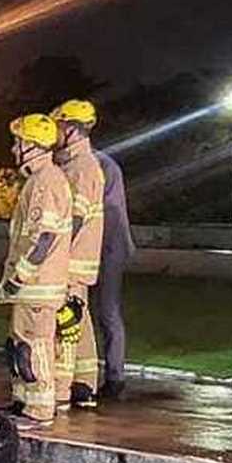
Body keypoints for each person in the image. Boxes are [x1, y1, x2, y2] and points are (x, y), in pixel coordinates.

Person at [0, 113, 73, 429]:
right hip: (31, 287)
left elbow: (45, 238)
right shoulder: (38, 180)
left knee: (35, 346)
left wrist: (20, 276)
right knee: (19, 345)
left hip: (36, 286)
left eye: (19, 143)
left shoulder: (47, 182)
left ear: (34, 146)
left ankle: (39, 410)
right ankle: (23, 402)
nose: (15, 149)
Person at [50, 99, 105, 410]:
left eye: (58, 127)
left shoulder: (82, 168)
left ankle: (64, 386)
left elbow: (76, 217)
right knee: (78, 320)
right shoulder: (71, 164)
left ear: (70, 129)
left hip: (70, 259)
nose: (54, 133)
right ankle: (84, 384)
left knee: (66, 323)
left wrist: (52, 250)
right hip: (74, 259)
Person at [91, 149, 136, 399]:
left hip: (109, 246)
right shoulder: (100, 163)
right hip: (104, 245)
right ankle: (106, 375)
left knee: (108, 312)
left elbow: (105, 209)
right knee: (98, 312)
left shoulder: (99, 165)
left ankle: (115, 376)